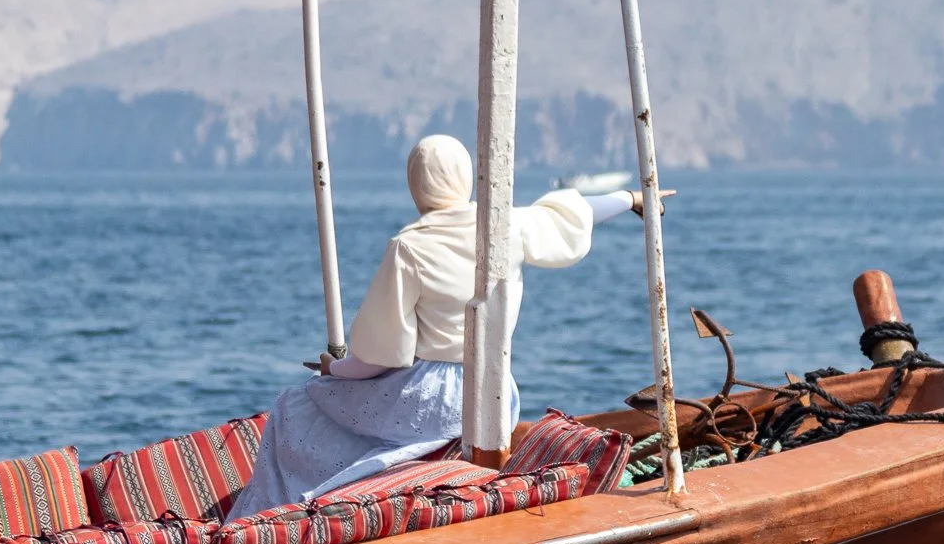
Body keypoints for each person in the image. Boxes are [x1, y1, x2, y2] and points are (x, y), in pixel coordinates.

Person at [228, 134, 667, 518]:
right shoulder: (506, 226)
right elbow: (573, 215)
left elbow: (380, 357)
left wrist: (329, 371)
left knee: (298, 405)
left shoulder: (409, 247)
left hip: (430, 399)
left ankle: (283, 510)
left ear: (414, 185)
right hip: (495, 393)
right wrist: (631, 198)